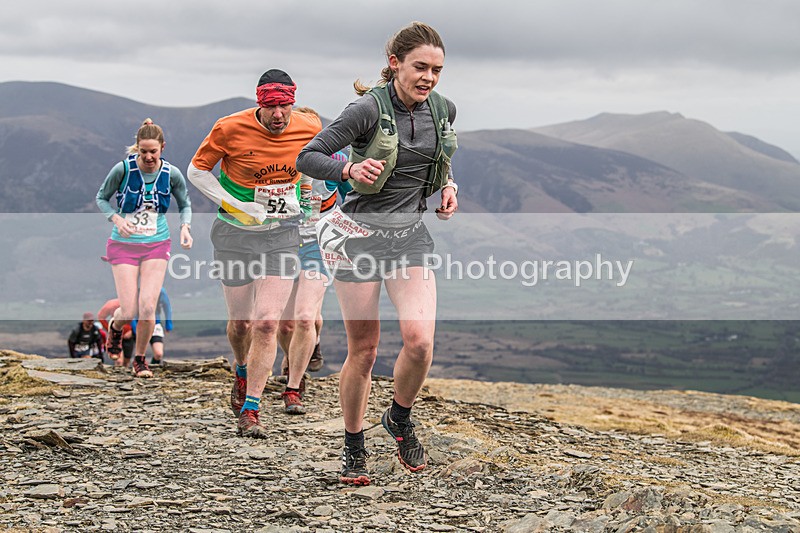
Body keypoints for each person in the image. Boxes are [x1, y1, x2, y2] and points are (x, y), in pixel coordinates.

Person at [297, 21, 459, 485]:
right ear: (395, 64)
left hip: (409, 236)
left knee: (420, 341)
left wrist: (448, 187)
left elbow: (439, 161)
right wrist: (348, 169)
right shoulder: (366, 108)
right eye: (420, 67)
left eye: (437, 70)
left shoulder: (444, 110)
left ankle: (399, 418)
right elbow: (308, 157)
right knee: (364, 351)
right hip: (358, 237)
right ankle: (353, 443)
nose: (428, 78)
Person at [187, 69, 322, 437]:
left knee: (267, 322)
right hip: (234, 234)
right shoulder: (229, 127)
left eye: (285, 106)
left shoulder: (309, 126)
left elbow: (310, 166)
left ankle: (252, 409)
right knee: (242, 324)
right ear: (259, 103)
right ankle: (241, 367)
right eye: (270, 107)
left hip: (282, 233)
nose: (278, 115)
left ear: (293, 102)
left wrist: (305, 201)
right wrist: (234, 204)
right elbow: (197, 171)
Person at [96, 119, 193, 378]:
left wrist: (185, 227)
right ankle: (116, 329)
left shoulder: (171, 174)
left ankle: (140, 360)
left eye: (154, 151)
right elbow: (101, 198)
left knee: (148, 306)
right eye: (143, 151)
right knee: (128, 310)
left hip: (156, 244)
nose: (149, 157)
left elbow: (185, 203)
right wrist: (116, 218)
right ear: (136, 149)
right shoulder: (123, 170)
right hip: (123, 244)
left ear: (163, 148)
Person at [276, 147, 352, 414]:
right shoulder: (279, 159)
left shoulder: (338, 161)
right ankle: (298, 353)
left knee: (306, 317)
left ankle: (293, 387)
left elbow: (352, 203)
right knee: (285, 326)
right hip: (283, 245)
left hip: (319, 247)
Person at [130, 287, 173, 366]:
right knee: (139, 352)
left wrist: (168, 324)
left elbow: (167, 307)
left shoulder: (160, 290)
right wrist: (135, 328)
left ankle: (152, 368)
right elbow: (130, 310)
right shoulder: (135, 289)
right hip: (138, 325)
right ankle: (138, 366)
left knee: (158, 353)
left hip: (155, 325)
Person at [97, 298, 135, 368]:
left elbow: (137, 319)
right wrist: (110, 329)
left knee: (126, 361)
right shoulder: (111, 304)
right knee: (118, 360)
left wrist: (132, 331)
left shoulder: (132, 303)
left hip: (128, 336)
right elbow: (101, 317)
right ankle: (118, 373)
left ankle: (124, 376)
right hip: (116, 334)